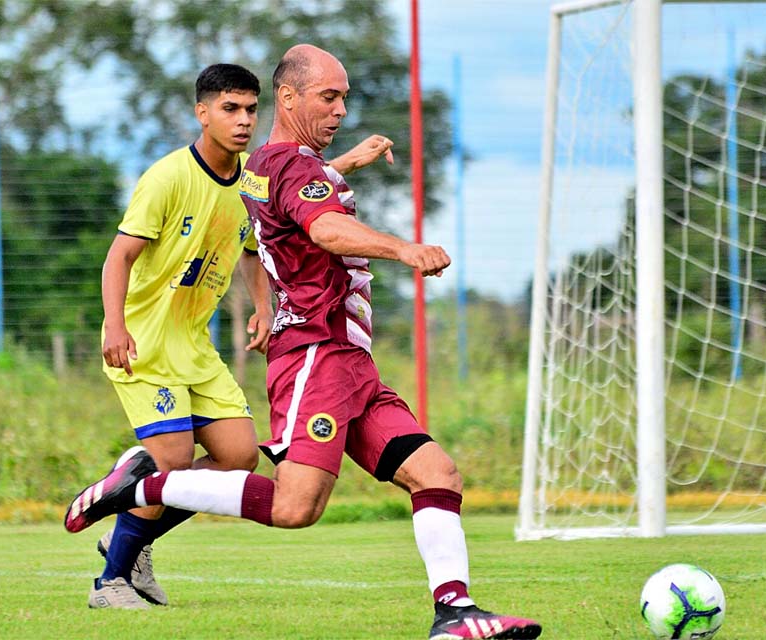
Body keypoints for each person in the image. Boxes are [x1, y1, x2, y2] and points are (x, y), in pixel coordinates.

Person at [67, 45, 542, 639]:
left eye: (344, 96)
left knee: (436, 473)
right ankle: (144, 487)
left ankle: (455, 614)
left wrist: (346, 168)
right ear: (287, 99)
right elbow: (322, 225)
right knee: (295, 507)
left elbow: (281, 214)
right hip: (314, 355)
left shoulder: (267, 168)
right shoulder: (272, 164)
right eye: (329, 96)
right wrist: (403, 248)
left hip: (351, 362)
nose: (341, 107)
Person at [90, 62, 397, 610]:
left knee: (239, 457)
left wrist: (262, 306)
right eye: (230, 109)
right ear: (201, 112)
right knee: (173, 461)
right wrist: (115, 325)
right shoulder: (167, 177)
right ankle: (111, 582)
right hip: (146, 345)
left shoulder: (251, 177)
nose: (243, 120)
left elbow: (270, 231)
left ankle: (130, 533)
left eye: (251, 109)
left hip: (195, 349)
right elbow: (120, 256)